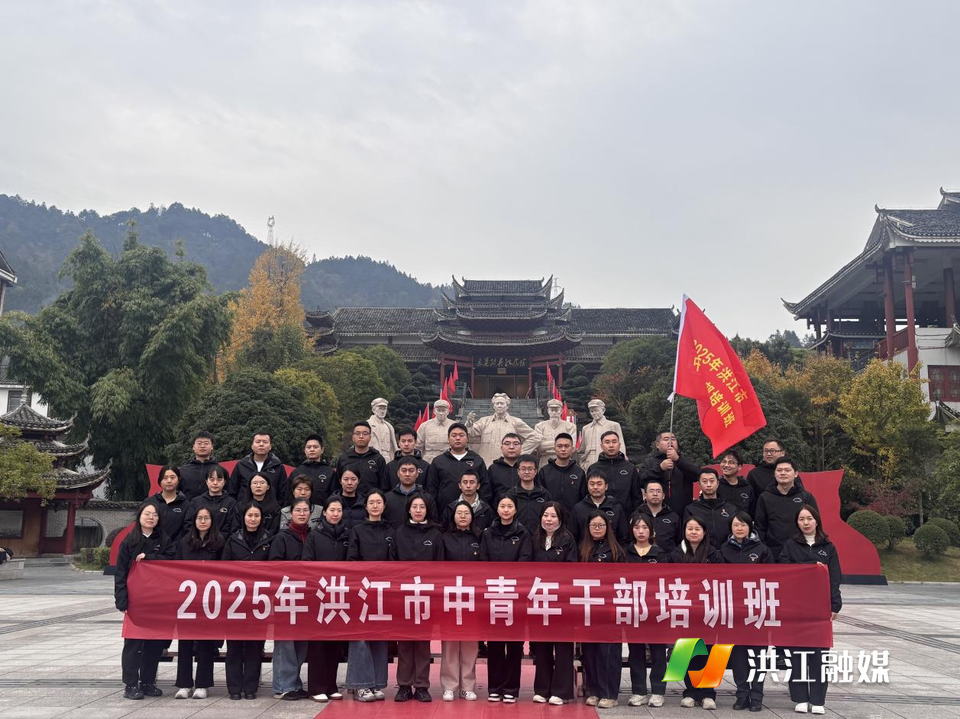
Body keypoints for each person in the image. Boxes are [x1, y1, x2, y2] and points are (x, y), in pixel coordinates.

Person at [779, 504, 842, 715]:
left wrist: (835, 604)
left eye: (809, 519)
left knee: (819, 654)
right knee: (796, 654)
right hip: (796, 607)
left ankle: (817, 699)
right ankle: (800, 697)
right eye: (801, 519)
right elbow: (784, 571)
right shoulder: (790, 545)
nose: (805, 523)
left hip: (820, 607)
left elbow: (835, 577)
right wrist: (809, 566)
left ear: (816, 521)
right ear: (797, 523)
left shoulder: (828, 546)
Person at [115, 502, 174, 700]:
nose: (151, 517)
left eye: (154, 515)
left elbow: (173, 561)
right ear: (139, 516)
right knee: (133, 643)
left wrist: (150, 557)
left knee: (154, 644)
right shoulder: (129, 541)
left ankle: (148, 682)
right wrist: (121, 599)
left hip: (158, 601)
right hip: (136, 601)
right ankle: (131, 684)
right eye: (147, 514)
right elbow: (120, 573)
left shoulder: (164, 539)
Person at [391, 495, 444, 702]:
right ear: (408, 509)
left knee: (422, 643)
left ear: (427, 510)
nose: (418, 510)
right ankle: (404, 685)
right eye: (415, 506)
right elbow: (392, 562)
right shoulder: (399, 533)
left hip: (426, 595)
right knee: (404, 642)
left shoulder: (435, 534)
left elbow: (440, 565)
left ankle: (422, 686)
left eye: (422, 507)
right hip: (403, 594)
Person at [480, 495, 533, 703]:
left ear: (515, 510)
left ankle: (511, 688)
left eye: (510, 506)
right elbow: (483, 560)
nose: (506, 509)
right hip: (494, 593)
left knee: (514, 644)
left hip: (515, 594)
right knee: (494, 643)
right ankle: (494, 687)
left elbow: (525, 560)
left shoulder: (523, 533)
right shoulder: (488, 533)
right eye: (502, 506)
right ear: (497, 509)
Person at [667, 517, 722, 710]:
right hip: (685, 608)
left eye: (697, 529)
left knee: (710, 651)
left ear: (704, 532)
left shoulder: (714, 553)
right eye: (689, 528)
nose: (693, 532)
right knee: (687, 649)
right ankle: (690, 692)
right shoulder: (675, 554)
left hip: (708, 609)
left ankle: (708, 693)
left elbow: (721, 579)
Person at [721, 512, 774, 712]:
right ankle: (742, 694)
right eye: (736, 525)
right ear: (731, 527)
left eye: (743, 525)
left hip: (757, 610)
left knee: (758, 655)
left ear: (750, 527)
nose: (739, 528)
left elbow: (772, 578)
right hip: (733, 610)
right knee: (738, 656)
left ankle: (757, 695)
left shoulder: (762, 550)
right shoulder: (724, 549)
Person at [345, 490, 393, 703]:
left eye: (378, 502)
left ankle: (376, 683)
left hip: (383, 591)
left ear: (384, 506)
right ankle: (360, 685)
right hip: (361, 590)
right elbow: (352, 560)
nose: (375, 506)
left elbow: (394, 561)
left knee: (380, 637)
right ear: (366, 507)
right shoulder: (357, 530)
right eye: (371, 502)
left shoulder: (390, 531)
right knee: (360, 637)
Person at [302, 496, 350, 703]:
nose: (335, 514)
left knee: (335, 644)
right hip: (319, 595)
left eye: (339, 510)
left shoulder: (348, 535)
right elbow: (306, 564)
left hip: (340, 596)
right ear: (324, 512)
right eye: (332, 510)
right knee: (318, 644)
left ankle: (331, 686)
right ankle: (316, 687)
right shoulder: (315, 535)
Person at [173, 507, 224, 700]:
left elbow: (226, 569)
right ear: (194, 521)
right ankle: (184, 684)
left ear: (212, 521)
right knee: (185, 643)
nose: (203, 521)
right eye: (199, 518)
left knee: (206, 643)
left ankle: (203, 684)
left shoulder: (219, 542)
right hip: (188, 601)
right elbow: (175, 568)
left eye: (206, 518)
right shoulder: (184, 542)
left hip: (210, 600)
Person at [222, 503, 271, 699]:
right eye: (249, 515)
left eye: (256, 515)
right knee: (234, 646)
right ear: (243, 517)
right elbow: (223, 570)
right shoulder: (233, 540)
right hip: (236, 602)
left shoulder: (269, 539)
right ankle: (234, 688)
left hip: (259, 602)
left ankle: (251, 688)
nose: (253, 519)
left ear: (261, 518)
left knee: (255, 647)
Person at [530, 502, 577, 706]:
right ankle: (542, 689)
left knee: (563, 646)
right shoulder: (534, 539)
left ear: (560, 519)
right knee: (542, 646)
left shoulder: (567, 539)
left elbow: (571, 569)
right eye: (545, 515)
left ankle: (561, 691)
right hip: (540, 599)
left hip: (561, 601)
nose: (548, 520)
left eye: (553, 516)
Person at [579, 511, 624, 709]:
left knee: (608, 653)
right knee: (590, 652)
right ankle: (594, 691)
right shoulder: (582, 549)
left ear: (608, 528)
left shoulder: (616, 550)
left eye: (601, 525)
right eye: (593, 525)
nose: (597, 529)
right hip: (588, 607)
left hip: (609, 609)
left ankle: (610, 694)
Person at [268, 498, 312, 701]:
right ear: (290, 513)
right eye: (298, 510)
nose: (302, 513)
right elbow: (275, 566)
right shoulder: (282, 537)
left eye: (305, 510)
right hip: (286, 595)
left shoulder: (312, 536)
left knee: (301, 643)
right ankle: (282, 686)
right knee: (285, 643)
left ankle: (294, 683)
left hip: (306, 597)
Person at [624, 513, 668, 708]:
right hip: (633, 608)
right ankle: (639, 691)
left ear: (651, 530)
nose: (640, 531)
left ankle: (658, 691)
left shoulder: (660, 554)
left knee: (658, 652)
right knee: (636, 652)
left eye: (644, 527)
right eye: (637, 527)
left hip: (656, 609)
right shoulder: (625, 554)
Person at [439, 501, 481, 702]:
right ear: (453, 516)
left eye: (466, 513)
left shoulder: (479, 538)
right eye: (459, 513)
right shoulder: (444, 538)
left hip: (473, 597)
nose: (463, 516)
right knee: (450, 643)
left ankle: (467, 686)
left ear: (472, 516)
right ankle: (449, 686)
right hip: (450, 596)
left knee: (470, 643)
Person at [755, 457, 819, 558]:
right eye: (779, 470)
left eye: (787, 470)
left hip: (801, 552)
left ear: (796, 473)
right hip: (773, 553)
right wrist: (765, 550)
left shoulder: (806, 497)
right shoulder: (765, 497)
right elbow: (760, 527)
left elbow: (815, 525)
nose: (783, 473)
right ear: (774, 473)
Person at [426, 422, 491, 508]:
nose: (457, 438)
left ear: (467, 438)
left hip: (472, 512)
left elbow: (485, 488)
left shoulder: (477, 461)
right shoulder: (438, 462)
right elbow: (431, 489)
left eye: (461, 435)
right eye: (454, 435)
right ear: (448, 439)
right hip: (444, 511)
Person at [638, 431, 700, 518]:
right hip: (657, 514)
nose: (670, 442)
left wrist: (678, 460)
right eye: (666, 439)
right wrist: (660, 469)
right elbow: (640, 480)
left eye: (673, 439)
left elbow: (697, 475)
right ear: (657, 445)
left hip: (683, 513)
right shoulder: (649, 462)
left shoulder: (685, 461)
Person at [465, 393, 534, 466]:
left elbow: (534, 437)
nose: (499, 406)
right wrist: (469, 424)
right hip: (486, 465)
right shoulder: (484, 421)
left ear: (507, 406)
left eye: (502, 403)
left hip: (508, 465)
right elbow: (469, 433)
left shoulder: (516, 422)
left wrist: (520, 452)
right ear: (493, 406)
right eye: (497, 403)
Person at [588, 431, 641, 515]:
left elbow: (636, 495)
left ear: (619, 445)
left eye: (614, 442)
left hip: (627, 515)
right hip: (600, 516)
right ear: (601, 446)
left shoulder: (630, 468)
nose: (611, 445)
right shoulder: (593, 468)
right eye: (607, 442)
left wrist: (636, 516)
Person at [683, 469, 738, 549]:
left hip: (727, 552)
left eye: (712, 481)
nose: (708, 485)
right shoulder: (691, 509)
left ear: (717, 483)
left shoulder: (731, 509)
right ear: (699, 484)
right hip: (701, 553)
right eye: (704, 481)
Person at [229, 431, 288, 506]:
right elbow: (232, 490)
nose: (261, 444)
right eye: (258, 442)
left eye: (265, 442)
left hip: (271, 510)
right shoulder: (241, 465)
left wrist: (277, 508)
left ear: (270, 446)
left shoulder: (278, 467)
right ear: (252, 445)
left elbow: (283, 493)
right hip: (244, 509)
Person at [572, 470, 629, 545]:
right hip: (585, 550)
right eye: (592, 484)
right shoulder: (578, 508)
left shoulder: (616, 508)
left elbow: (623, 537)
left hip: (611, 550)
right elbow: (573, 537)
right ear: (587, 487)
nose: (595, 487)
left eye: (599, 484)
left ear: (606, 486)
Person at [536, 432, 586, 513]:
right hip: (550, 516)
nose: (563, 449)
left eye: (566, 446)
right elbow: (540, 497)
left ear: (572, 449)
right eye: (559, 446)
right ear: (554, 448)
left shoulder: (579, 473)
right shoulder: (544, 471)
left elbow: (583, 498)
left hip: (573, 516)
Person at [336, 421, 389, 494]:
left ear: (370, 437)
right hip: (348, 500)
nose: (361, 436)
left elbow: (384, 485)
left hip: (371, 500)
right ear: (353, 437)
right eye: (357, 433)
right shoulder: (344, 459)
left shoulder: (378, 459)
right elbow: (337, 484)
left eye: (365, 434)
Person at [523, 398, 577, 468]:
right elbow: (539, 447)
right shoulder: (540, 426)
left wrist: (546, 444)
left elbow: (572, 447)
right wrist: (562, 445)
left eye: (556, 410)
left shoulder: (570, 426)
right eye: (552, 410)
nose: (554, 413)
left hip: (564, 462)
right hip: (545, 461)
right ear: (548, 411)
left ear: (561, 411)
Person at [184, 466, 236, 537]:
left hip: (222, 542)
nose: (215, 483)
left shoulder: (231, 503)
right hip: (198, 541)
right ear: (206, 481)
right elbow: (188, 523)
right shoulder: (196, 501)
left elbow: (230, 527)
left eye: (219, 480)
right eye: (212, 479)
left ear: (224, 482)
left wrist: (216, 540)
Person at [506, 454, 550, 533]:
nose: (527, 472)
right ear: (518, 471)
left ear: (535, 471)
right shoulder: (511, 495)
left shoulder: (544, 494)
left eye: (530, 469)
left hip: (539, 536)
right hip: (517, 537)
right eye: (523, 469)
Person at [383, 456, 431, 527]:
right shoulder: (387, 498)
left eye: (411, 471)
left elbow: (432, 523)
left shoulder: (427, 498)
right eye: (404, 470)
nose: (407, 474)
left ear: (417, 473)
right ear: (398, 473)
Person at [178, 431, 226, 501]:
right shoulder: (182, 471)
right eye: (199, 443)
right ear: (193, 446)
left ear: (212, 446)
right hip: (188, 507)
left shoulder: (220, 471)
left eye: (206, 443)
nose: (202, 446)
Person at [578, 398, 626, 469]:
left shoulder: (613, 425)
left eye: (596, 410)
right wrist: (583, 464)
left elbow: (620, 445)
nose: (594, 413)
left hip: (608, 461)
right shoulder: (586, 428)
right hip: (589, 462)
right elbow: (582, 450)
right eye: (592, 411)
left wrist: (621, 462)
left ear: (603, 410)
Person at [291, 434, 337, 506]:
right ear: (304, 450)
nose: (312, 449)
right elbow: (288, 498)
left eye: (315, 447)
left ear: (322, 450)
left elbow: (334, 498)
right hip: (300, 511)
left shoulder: (330, 473)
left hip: (323, 511)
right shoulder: (296, 472)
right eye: (308, 447)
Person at [637, 478, 681, 553]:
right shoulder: (636, 515)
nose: (655, 494)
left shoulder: (674, 517)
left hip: (668, 558)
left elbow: (679, 542)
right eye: (651, 491)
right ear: (645, 495)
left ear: (663, 495)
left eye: (658, 491)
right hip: (642, 558)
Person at [151, 465, 188, 546]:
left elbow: (186, 530)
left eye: (172, 477)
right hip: (152, 548)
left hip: (176, 549)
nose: (169, 481)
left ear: (178, 480)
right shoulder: (150, 502)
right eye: (165, 478)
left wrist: (174, 546)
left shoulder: (186, 505)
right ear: (160, 480)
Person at [717, 450, 756, 515]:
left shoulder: (747, 487)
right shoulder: (716, 486)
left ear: (739, 467)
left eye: (731, 462)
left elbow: (752, 512)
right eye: (724, 462)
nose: (726, 465)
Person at [487, 433, 523, 504]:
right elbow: (487, 494)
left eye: (516, 444)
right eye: (507, 444)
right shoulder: (493, 469)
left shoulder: (526, 468)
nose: (511, 447)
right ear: (501, 448)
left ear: (521, 447)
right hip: (499, 509)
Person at [368, 397, 399, 462]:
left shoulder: (389, 426)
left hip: (388, 458)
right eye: (380, 408)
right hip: (373, 458)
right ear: (373, 410)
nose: (382, 411)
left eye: (384, 409)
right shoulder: (368, 424)